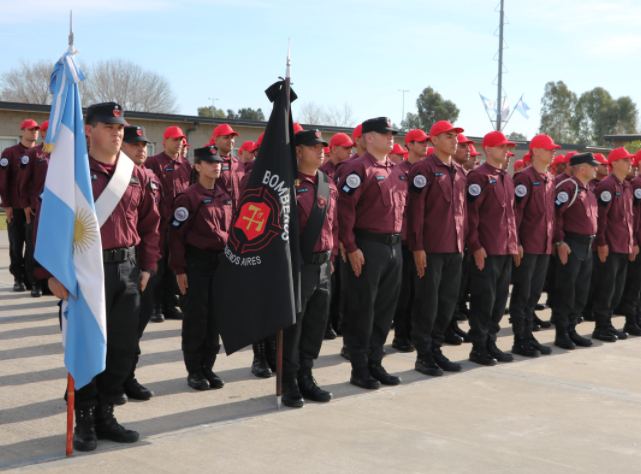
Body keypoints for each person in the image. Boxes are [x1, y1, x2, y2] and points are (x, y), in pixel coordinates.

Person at [47, 102, 160, 451]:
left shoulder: (135, 174)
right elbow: (50, 224)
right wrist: (51, 274)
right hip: (84, 271)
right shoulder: (71, 172)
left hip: (126, 269)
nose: (117, 133)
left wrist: (147, 267)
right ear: (88, 128)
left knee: (123, 348)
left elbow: (150, 224)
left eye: (120, 128)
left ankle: (106, 414)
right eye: (109, 126)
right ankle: (84, 417)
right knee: (86, 346)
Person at [338, 117, 407, 389]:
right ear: (368, 137)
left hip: (393, 246)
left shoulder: (397, 170)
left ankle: (375, 363)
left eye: (391, 133)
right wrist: (351, 247)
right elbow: (344, 212)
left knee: (384, 310)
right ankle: (359, 368)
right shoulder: (357, 168)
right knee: (362, 309)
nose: (390, 137)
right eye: (384, 133)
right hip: (368, 246)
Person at [281, 129, 337, 408]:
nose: (321, 150)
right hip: (299, 265)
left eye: (322, 146)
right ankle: (289, 381)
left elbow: (333, 226)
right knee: (294, 326)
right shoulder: (287, 184)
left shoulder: (327, 183)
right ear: (299, 151)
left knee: (316, 325)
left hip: (323, 265)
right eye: (314, 146)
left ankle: (307, 376)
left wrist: (333, 258)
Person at [168, 145, 232, 390]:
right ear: (197, 166)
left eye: (218, 162)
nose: (216, 165)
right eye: (209, 162)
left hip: (221, 264)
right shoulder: (188, 198)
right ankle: (194, 370)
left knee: (215, 318)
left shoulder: (224, 195)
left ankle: (208, 367)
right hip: (197, 263)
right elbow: (176, 237)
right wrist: (179, 270)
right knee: (197, 318)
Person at [407, 121, 467, 376]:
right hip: (431, 248)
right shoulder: (424, 169)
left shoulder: (460, 171)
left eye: (456, 137)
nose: (455, 141)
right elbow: (415, 211)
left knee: (447, 302)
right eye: (448, 136)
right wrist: (417, 246)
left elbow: (463, 212)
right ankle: (423, 355)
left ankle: (436, 347)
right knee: (427, 303)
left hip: (454, 247)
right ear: (434, 141)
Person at [466, 131, 518, 365]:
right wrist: (476, 246)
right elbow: (471, 215)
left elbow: (511, 216)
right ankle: (479, 348)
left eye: (506, 147)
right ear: (488, 149)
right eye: (500, 147)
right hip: (487, 250)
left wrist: (514, 244)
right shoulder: (479, 176)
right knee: (483, 301)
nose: (505, 151)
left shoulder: (506, 178)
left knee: (499, 301)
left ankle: (491, 342)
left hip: (505, 249)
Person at [120, 125, 161, 401]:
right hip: (109, 262)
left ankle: (127, 376)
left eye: (144, 144)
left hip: (138, 263)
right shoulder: (108, 175)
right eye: (135, 144)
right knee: (113, 329)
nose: (141, 148)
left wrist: (147, 267)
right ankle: (101, 383)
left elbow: (151, 227)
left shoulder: (147, 177)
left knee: (137, 324)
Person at [509, 134, 558, 357]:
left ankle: (528, 335)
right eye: (548, 149)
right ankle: (520, 340)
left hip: (544, 246)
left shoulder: (549, 178)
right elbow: (516, 214)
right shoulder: (524, 178)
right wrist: (516, 242)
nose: (552, 153)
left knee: (534, 295)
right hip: (527, 246)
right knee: (523, 294)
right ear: (536, 151)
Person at [551, 153, 599, 349]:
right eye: (593, 165)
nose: (596, 168)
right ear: (582, 168)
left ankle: (571, 329)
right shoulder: (569, 187)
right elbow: (554, 215)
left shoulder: (588, 189)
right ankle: (562, 333)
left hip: (587, 246)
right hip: (571, 244)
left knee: (580, 292)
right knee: (566, 291)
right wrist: (559, 242)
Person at [591, 147, 639, 341]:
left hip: (623, 245)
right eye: (626, 160)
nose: (630, 164)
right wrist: (601, 243)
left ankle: (608, 323)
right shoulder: (607, 185)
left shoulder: (626, 186)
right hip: (609, 246)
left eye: (630, 160)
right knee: (607, 287)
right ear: (615, 163)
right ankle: (601, 326)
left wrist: (633, 242)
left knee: (617, 289)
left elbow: (631, 219)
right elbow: (601, 218)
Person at [146, 125, 193, 321]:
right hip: (160, 224)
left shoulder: (186, 165)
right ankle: (154, 307)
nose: (179, 142)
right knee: (157, 268)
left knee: (174, 266)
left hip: (178, 226)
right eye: (174, 139)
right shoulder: (153, 162)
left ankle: (169, 305)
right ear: (164, 141)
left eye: (181, 139)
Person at [392, 128, 429, 352]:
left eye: (426, 142)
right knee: (405, 292)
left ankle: (416, 333)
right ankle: (401, 335)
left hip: (425, 240)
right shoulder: (400, 171)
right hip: (405, 241)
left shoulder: (426, 170)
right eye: (420, 142)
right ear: (409, 145)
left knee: (421, 292)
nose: (425, 145)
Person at [321, 132, 355, 339]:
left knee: (342, 286)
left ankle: (338, 321)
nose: (349, 151)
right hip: (329, 234)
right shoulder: (323, 173)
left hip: (343, 233)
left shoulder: (349, 169)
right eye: (345, 147)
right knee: (329, 285)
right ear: (333, 149)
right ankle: (325, 324)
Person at [0, 118, 40, 292]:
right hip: (15, 208)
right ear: (22, 130)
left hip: (34, 208)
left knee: (32, 246)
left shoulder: (40, 153)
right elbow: (3, 180)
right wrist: (6, 205)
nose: (34, 132)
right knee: (16, 244)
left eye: (36, 130)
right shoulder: (10, 153)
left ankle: (31, 278)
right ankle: (18, 277)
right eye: (31, 129)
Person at [24, 120, 50, 297]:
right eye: (47, 131)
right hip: (37, 208)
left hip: (59, 210)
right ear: (43, 133)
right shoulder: (35, 153)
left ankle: (51, 281)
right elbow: (23, 182)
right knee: (35, 246)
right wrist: (26, 204)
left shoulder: (67, 153)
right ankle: (36, 283)